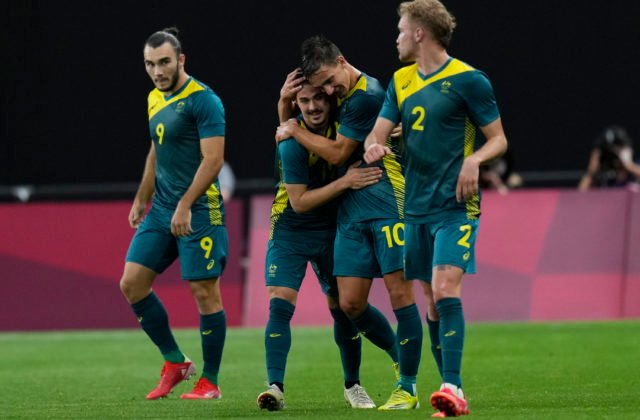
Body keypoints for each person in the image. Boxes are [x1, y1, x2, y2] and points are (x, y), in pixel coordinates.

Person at [364, 0, 508, 416]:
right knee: (429, 298)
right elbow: (378, 132)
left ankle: (453, 385)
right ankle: (448, 395)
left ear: (420, 34)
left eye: (400, 29)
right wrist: (374, 145)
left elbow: (498, 139)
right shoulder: (400, 81)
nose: (396, 37)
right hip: (415, 207)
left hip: (456, 206)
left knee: (445, 288)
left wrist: (474, 160)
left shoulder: (469, 80)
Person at [276, 36, 423, 411]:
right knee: (350, 304)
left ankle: (407, 386)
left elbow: (340, 152)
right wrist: (284, 109)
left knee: (400, 294)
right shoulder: (338, 95)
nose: (327, 91)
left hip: (385, 199)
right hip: (349, 211)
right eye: (320, 87)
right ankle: (396, 355)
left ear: (342, 61)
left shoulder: (367, 94)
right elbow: (302, 142)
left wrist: (293, 128)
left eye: (328, 81)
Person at [258, 77, 393, 411]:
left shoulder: (345, 128)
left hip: (333, 227)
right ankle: (274, 387)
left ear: (331, 99)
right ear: (296, 105)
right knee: (280, 303)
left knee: (346, 308)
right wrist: (346, 181)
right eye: (303, 101)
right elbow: (300, 202)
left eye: (319, 98)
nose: (313, 106)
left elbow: (370, 136)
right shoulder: (290, 142)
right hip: (290, 227)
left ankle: (357, 384)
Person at [119, 27, 228, 400]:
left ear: (181, 59)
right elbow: (156, 150)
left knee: (204, 292)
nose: (157, 71)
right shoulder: (154, 98)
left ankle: (209, 381)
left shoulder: (204, 101)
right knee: (131, 283)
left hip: (199, 209)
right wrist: (141, 198)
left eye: (164, 62)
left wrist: (184, 204)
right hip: (162, 208)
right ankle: (175, 362)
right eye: (150, 64)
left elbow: (214, 160)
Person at [578, 125, 639, 190]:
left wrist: (629, 165)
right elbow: (581, 192)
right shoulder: (606, 174)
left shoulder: (636, 166)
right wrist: (591, 170)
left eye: (617, 148)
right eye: (609, 150)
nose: (613, 153)